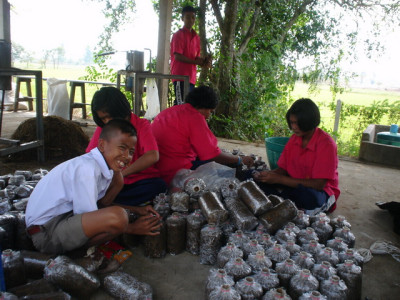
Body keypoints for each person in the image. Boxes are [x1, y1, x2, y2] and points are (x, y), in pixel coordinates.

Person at [25, 119, 162, 254]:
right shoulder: (88, 169)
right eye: (122, 148)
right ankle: (77, 254)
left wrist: (137, 210)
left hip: (61, 219)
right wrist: (132, 228)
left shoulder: (103, 168)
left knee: (118, 180)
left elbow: (99, 207)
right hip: (46, 233)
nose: (126, 156)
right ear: (102, 145)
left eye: (131, 152)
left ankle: (80, 250)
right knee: (119, 217)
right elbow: (92, 216)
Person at [151, 85, 254, 185]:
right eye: (210, 111)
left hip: (156, 167)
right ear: (202, 106)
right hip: (176, 172)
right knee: (236, 174)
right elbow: (213, 155)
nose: (209, 115)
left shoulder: (168, 112)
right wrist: (239, 159)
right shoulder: (195, 118)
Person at [253, 98, 340, 215]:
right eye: (292, 122)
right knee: (254, 178)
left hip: (319, 191)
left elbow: (319, 184)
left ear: (309, 121)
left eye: (297, 123)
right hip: (293, 184)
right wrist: (268, 175)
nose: (293, 127)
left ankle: (287, 201)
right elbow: (283, 170)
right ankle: (284, 199)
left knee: (306, 197)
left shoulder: (326, 144)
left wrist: (279, 179)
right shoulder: (294, 139)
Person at [86, 87, 167, 207]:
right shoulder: (105, 127)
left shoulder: (141, 125)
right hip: (110, 183)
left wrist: (121, 174)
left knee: (159, 186)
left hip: (138, 182)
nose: (108, 122)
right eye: (103, 119)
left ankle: (111, 204)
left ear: (120, 111)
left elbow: (152, 156)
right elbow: (90, 156)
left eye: (110, 116)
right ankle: (118, 205)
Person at [170, 5, 211, 105]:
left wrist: (203, 61)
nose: (191, 20)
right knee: (180, 104)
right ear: (182, 18)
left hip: (191, 77)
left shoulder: (196, 37)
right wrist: (195, 62)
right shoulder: (178, 35)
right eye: (188, 17)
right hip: (180, 76)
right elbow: (177, 56)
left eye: (193, 17)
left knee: (188, 105)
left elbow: (195, 57)